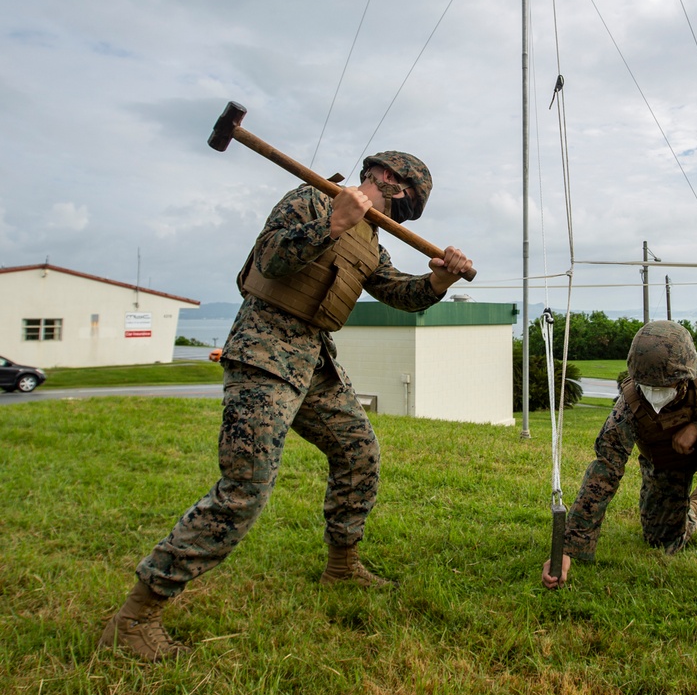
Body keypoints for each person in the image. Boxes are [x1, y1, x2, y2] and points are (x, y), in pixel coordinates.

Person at [100, 151, 474, 661]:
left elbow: (395, 292)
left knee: (358, 452)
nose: (404, 209)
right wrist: (333, 222)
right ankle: (136, 615)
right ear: (386, 178)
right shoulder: (311, 198)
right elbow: (271, 259)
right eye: (406, 197)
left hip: (313, 363)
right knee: (245, 489)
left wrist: (438, 281)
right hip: (263, 355)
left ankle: (342, 565)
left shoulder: (371, 238)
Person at [542, 320, 697, 610]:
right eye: (647, 385)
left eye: (664, 386)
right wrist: (568, 549)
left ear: (685, 376)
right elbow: (604, 470)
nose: (654, 393)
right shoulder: (628, 405)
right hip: (666, 461)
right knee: (661, 541)